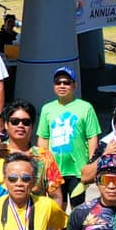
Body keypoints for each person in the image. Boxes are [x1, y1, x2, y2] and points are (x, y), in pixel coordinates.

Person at [37, 68, 101, 204]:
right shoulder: (47, 109)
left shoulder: (86, 107)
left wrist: (91, 164)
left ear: (74, 85)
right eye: (58, 82)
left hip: (78, 169)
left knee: (77, 207)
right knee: (56, 208)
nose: (62, 86)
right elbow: (43, 138)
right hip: (55, 170)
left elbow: (92, 137)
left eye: (66, 82)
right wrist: (43, 165)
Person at [0, 100, 66, 205]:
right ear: (6, 125)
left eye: (26, 122)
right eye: (15, 121)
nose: (20, 125)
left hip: (35, 212)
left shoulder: (44, 156)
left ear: (32, 126)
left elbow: (55, 196)